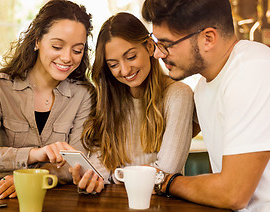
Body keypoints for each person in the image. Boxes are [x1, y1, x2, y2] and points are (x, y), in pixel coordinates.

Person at [142, 0, 270, 212]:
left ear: (208, 38)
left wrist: (166, 182)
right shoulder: (206, 85)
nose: (157, 54)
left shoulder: (253, 73)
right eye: (155, 43)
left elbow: (233, 192)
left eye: (166, 45)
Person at [0, 0, 93, 200]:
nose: (67, 57)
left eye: (77, 50)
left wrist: (31, 178)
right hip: (2, 199)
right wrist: (35, 154)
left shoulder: (83, 95)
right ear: (37, 41)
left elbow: (77, 163)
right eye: (57, 46)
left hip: (59, 203)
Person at [67, 12, 194, 194]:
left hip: (161, 208)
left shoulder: (178, 94)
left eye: (131, 57)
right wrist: (91, 178)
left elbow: (164, 174)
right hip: (117, 207)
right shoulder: (110, 99)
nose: (125, 70)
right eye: (113, 64)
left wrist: (115, 176)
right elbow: (101, 165)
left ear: (150, 47)